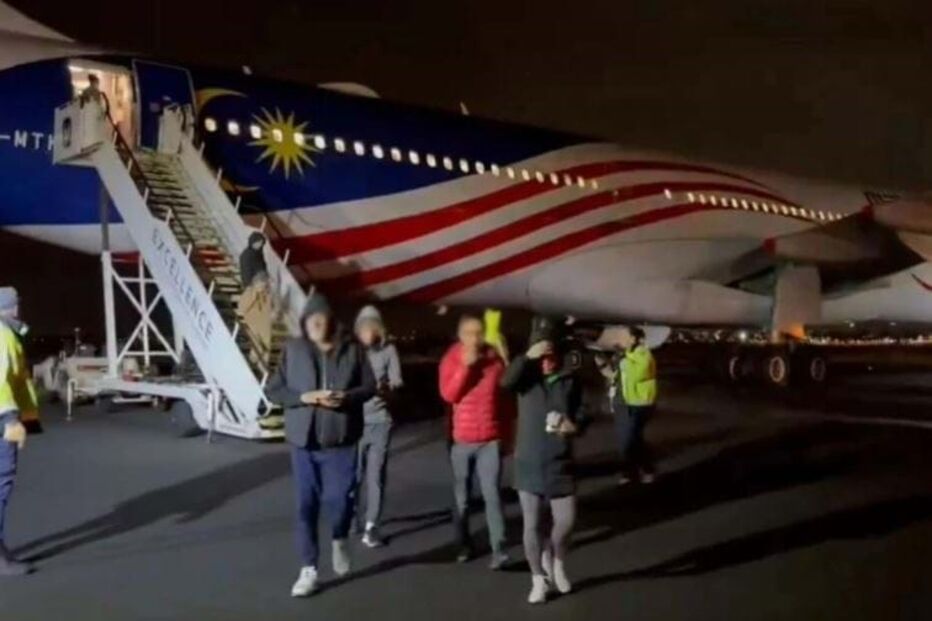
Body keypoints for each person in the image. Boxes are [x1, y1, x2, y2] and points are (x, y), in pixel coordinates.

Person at [266, 291, 376, 598]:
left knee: (341, 501)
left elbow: (369, 386)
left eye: (321, 317)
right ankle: (309, 569)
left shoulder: (352, 351)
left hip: (341, 441)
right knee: (306, 506)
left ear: (330, 321)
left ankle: (340, 537)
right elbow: (274, 389)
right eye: (311, 318)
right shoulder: (294, 349)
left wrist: (347, 398)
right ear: (304, 322)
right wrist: (303, 398)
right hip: (304, 443)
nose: (316, 322)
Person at [501, 315, 580, 604]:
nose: (546, 360)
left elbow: (582, 412)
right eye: (541, 355)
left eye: (550, 354)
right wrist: (526, 356)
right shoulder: (526, 379)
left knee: (566, 522)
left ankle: (557, 561)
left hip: (560, 461)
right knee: (531, 524)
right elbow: (505, 381)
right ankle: (538, 579)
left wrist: (575, 425)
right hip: (529, 461)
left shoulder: (569, 379)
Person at [439, 314, 508, 569]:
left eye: (478, 332)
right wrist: (465, 368)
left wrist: (506, 437)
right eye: (468, 333)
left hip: (490, 440)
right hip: (462, 441)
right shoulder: (451, 359)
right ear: (460, 335)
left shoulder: (494, 361)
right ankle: (463, 544)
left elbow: (505, 400)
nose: (474, 338)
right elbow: (448, 394)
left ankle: (499, 549)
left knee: (492, 495)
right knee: (462, 498)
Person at [354, 305, 402, 548]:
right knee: (354, 475)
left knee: (376, 477)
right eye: (364, 327)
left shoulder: (389, 350)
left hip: (381, 422)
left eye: (372, 327)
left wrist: (388, 388)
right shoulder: (353, 353)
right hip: (355, 423)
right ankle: (353, 516)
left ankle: (371, 526)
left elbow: (397, 380)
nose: (368, 331)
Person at [0, 287, 35, 576]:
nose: (18, 309)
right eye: (15, 305)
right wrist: (11, 420)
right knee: (0, 483)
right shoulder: (3, 336)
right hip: (1, 422)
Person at [598, 326, 658, 485]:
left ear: (635, 339)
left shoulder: (643, 354)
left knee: (628, 440)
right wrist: (603, 365)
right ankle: (644, 468)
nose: (620, 339)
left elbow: (638, 373)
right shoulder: (623, 356)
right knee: (632, 439)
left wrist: (622, 359)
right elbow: (615, 376)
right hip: (621, 401)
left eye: (625, 336)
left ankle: (631, 472)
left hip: (636, 403)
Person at [237, 232, 276, 366]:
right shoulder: (246, 256)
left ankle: (263, 363)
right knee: (257, 340)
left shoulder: (259, 254)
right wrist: (252, 287)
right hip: (252, 290)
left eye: (261, 243)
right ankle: (255, 361)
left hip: (263, 312)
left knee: (266, 339)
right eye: (258, 242)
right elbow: (242, 309)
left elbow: (263, 267)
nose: (260, 245)